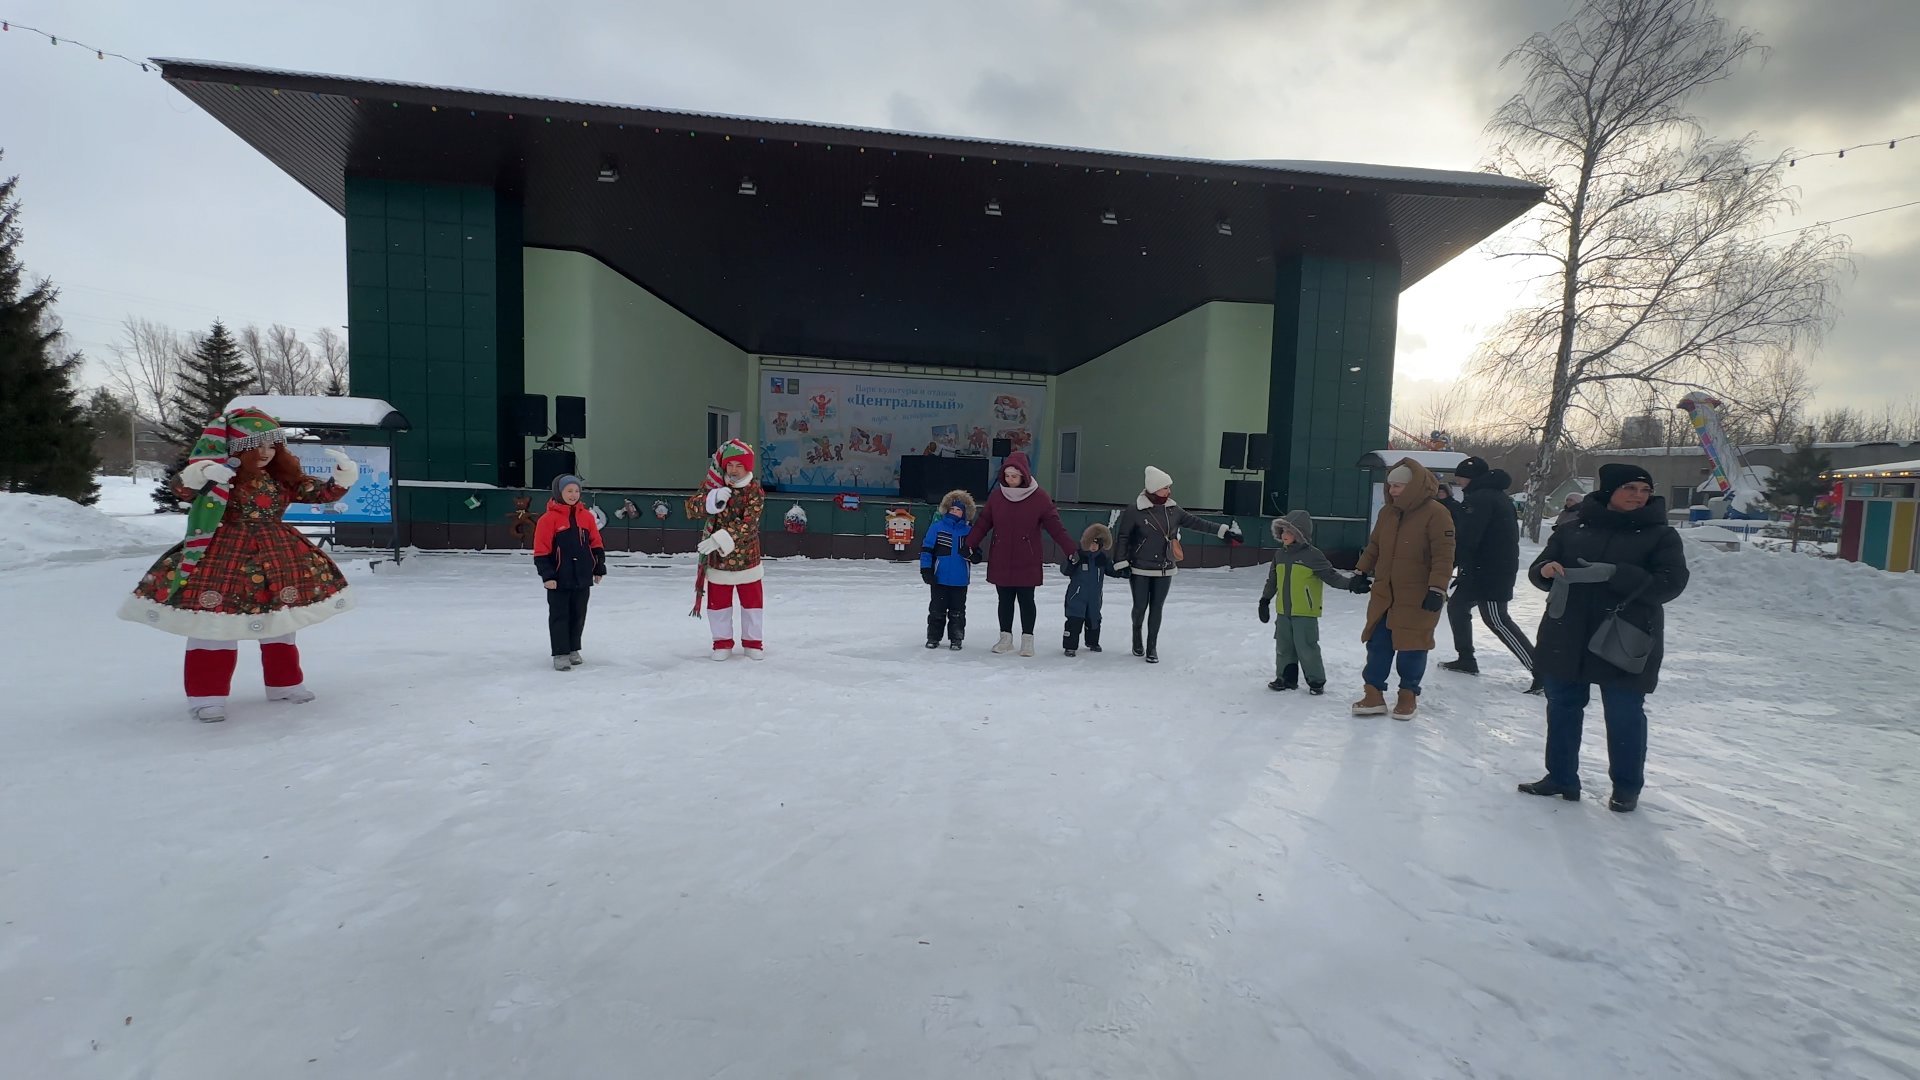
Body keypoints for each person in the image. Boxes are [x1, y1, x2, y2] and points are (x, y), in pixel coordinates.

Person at [118, 408, 358, 722]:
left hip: (277, 555)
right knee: (213, 625)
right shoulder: (221, 476)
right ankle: (207, 696)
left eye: (271, 445)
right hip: (224, 556)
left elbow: (318, 492)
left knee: (281, 622)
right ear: (235, 448)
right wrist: (203, 473)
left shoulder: (279, 478)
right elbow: (182, 489)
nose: (265, 452)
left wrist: (343, 475)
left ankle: (284, 684)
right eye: (255, 445)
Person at [1518, 463, 1689, 812]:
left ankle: (1626, 787)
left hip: (1625, 634)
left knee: (1624, 713)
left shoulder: (1660, 535)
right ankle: (1561, 777)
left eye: (1645, 490)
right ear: (1609, 490)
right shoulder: (1573, 528)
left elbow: (1670, 584)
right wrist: (1545, 571)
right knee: (1562, 707)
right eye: (1630, 488)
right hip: (1567, 631)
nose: (1638, 496)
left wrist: (1616, 574)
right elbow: (1540, 568)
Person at [1348, 458, 1455, 721]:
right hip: (1385, 593)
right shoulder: (1388, 513)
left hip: (1418, 595)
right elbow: (1374, 546)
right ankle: (1373, 693)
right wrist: (1360, 572)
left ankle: (1408, 694)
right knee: (1378, 644)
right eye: (1391, 485)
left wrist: (1437, 588)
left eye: (1398, 486)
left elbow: (1443, 555)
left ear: (1413, 486)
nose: (1392, 490)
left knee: (1412, 646)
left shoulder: (1436, 513)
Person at [1111, 465, 1244, 663]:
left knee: (1157, 608)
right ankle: (1136, 635)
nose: (1169, 491)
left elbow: (1197, 522)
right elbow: (1123, 537)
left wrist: (1223, 531)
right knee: (1140, 607)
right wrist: (1121, 562)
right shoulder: (1135, 510)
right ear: (1154, 488)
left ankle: (1152, 647)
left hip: (1165, 567)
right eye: (1165, 487)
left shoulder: (1173, 510)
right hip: (1140, 567)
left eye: (1169, 487)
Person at [1439, 457, 1541, 693]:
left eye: (1460, 478)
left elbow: (1468, 538)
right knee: (1457, 607)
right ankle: (1466, 659)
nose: (1458, 482)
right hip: (1481, 569)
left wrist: (1448, 565)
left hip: (1492, 570)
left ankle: (1541, 671)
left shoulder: (1481, 498)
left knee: (1497, 619)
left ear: (1470, 478)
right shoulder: (1492, 495)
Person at [963, 451, 1077, 657]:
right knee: (1004, 600)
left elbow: (1056, 528)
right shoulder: (997, 497)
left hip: (1027, 558)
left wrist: (1071, 550)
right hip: (1001, 557)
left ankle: (1027, 640)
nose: (1010, 480)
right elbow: (983, 523)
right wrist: (969, 544)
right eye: (1007, 476)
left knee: (1026, 600)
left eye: (1014, 476)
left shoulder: (1039, 498)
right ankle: (1005, 638)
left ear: (1024, 475)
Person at [685, 439, 767, 661]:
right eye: (730, 465)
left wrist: (719, 539)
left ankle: (753, 642)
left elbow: (749, 524)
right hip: (718, 562)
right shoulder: (714, 485)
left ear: (747, 467)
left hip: (747, 558)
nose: (733, 470)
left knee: (752, 605)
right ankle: (721, 643)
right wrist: (711, 500)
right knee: (718, 605)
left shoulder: (754, 490)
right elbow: (692, 508)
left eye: (739, 465)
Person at [1258, 510, 1353, 695]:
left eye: (1289, 531)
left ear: (1299, 533)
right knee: (1284, 646)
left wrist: (1351, 584)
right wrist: (1265, 600)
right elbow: (1273, 580)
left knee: (1307, 647)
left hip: (1305, 612)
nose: (1284, 535)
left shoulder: (1312, 555)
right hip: (1283, 611)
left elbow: (1331, 576)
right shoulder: (1280, 555)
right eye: (1282, 531)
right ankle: (1285, 678)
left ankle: (1316, 681)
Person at [533, 473, 606, 670]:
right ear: (559, 492)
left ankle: (573, 648)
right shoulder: (548, 520)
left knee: (578, 615)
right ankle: (560, 652)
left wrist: (598, 567)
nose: (573, 495)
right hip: (559, 578)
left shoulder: (586, 517)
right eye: (569, 491)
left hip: (582, 576)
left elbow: (596, 544)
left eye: (576, 491)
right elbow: (541, 551)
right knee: (560, 616)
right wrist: (548, 575)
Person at [919, 489, 976, 650]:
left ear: (965, 512)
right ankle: (933, 637)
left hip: (960, 579)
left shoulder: (969, 531)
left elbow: (975, 551)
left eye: (958, 510)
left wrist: (973, 555)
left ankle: (956, 638)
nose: (955, 512)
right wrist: (926, 570)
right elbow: (927, 549)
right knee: (937, 610)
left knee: (958, 611)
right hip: (940, 578)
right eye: (952, 509)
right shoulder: (937, 527)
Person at [1060, 523, 1117, 656]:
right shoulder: (1079, 556)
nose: (1093, 546)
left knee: (1094, 620)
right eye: (1091, 543)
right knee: (1074, 620)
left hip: (1094, 598)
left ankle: (1092, 642)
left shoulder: (1102, 559)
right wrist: (1071, 561)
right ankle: (1070, 646)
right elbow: (1065, 570)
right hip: (1077, 596)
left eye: (1097, 544)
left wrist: (1124, 570)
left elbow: (1112, 570)